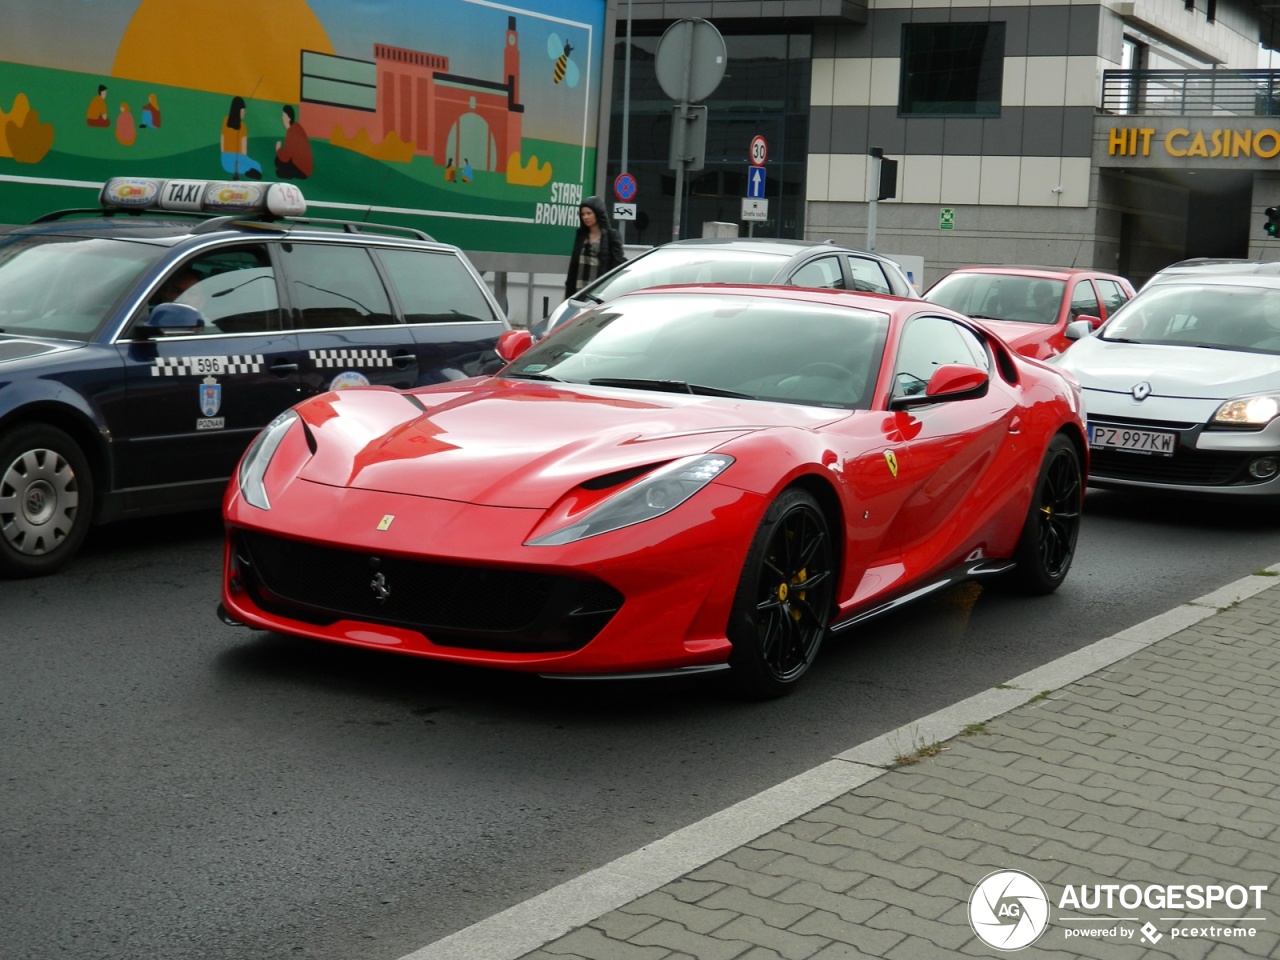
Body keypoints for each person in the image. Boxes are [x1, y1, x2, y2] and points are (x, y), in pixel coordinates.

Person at [564, 196, 625, 300]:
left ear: (597, 213)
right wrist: (566, 296)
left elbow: (616, 267)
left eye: (589, 213)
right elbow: (573, 268)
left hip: (599, 295)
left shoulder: (611, 236)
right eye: (582, 214)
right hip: (578, 294)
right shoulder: (581, 236)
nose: (585, 217)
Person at [220, 95, 262, 180]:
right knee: (257, 166)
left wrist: (223, 154)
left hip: (225, 160)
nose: (244, 112)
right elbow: (244, 150)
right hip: (237, 158)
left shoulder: (225, 120)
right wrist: (243, 159)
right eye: (243, 110)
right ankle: (247, 171)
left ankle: (247, 171)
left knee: (254, 167)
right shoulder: (243, 126)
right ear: (238, 110)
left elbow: (222, 140)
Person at [274, 105, 313, 179]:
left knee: (278, 167)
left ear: (288, 118)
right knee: (278, 162)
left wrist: (278, 149)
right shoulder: (295, 127)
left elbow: (286, 157)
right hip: (302, 166)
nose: (282, 119)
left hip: (301, 169)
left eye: (284, 116)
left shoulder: (292, 132)